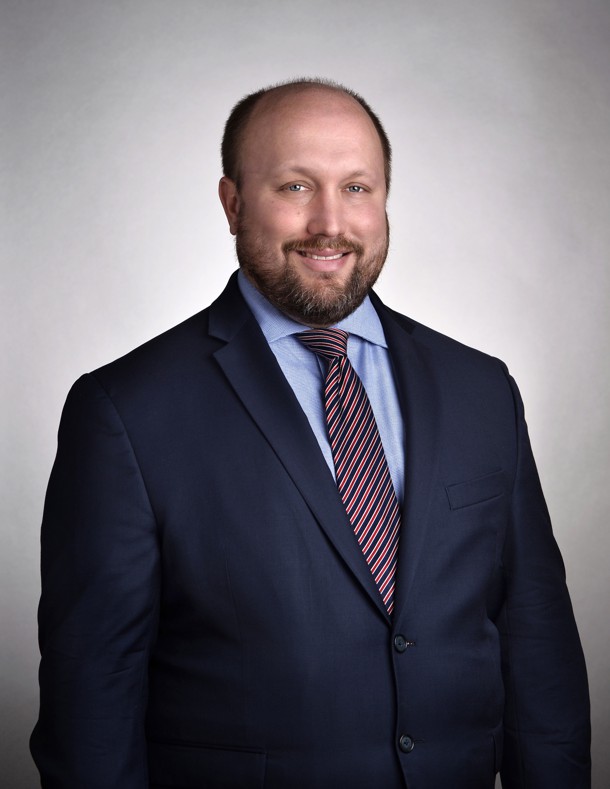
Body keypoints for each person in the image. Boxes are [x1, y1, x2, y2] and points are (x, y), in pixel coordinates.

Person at [31, 78, 591, 789]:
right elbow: (93, 699)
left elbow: (538, 643)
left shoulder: (482, 391)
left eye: (357, 188)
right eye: (295, 187)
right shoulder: (125, 410)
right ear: (233, 203)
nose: (330, 222)